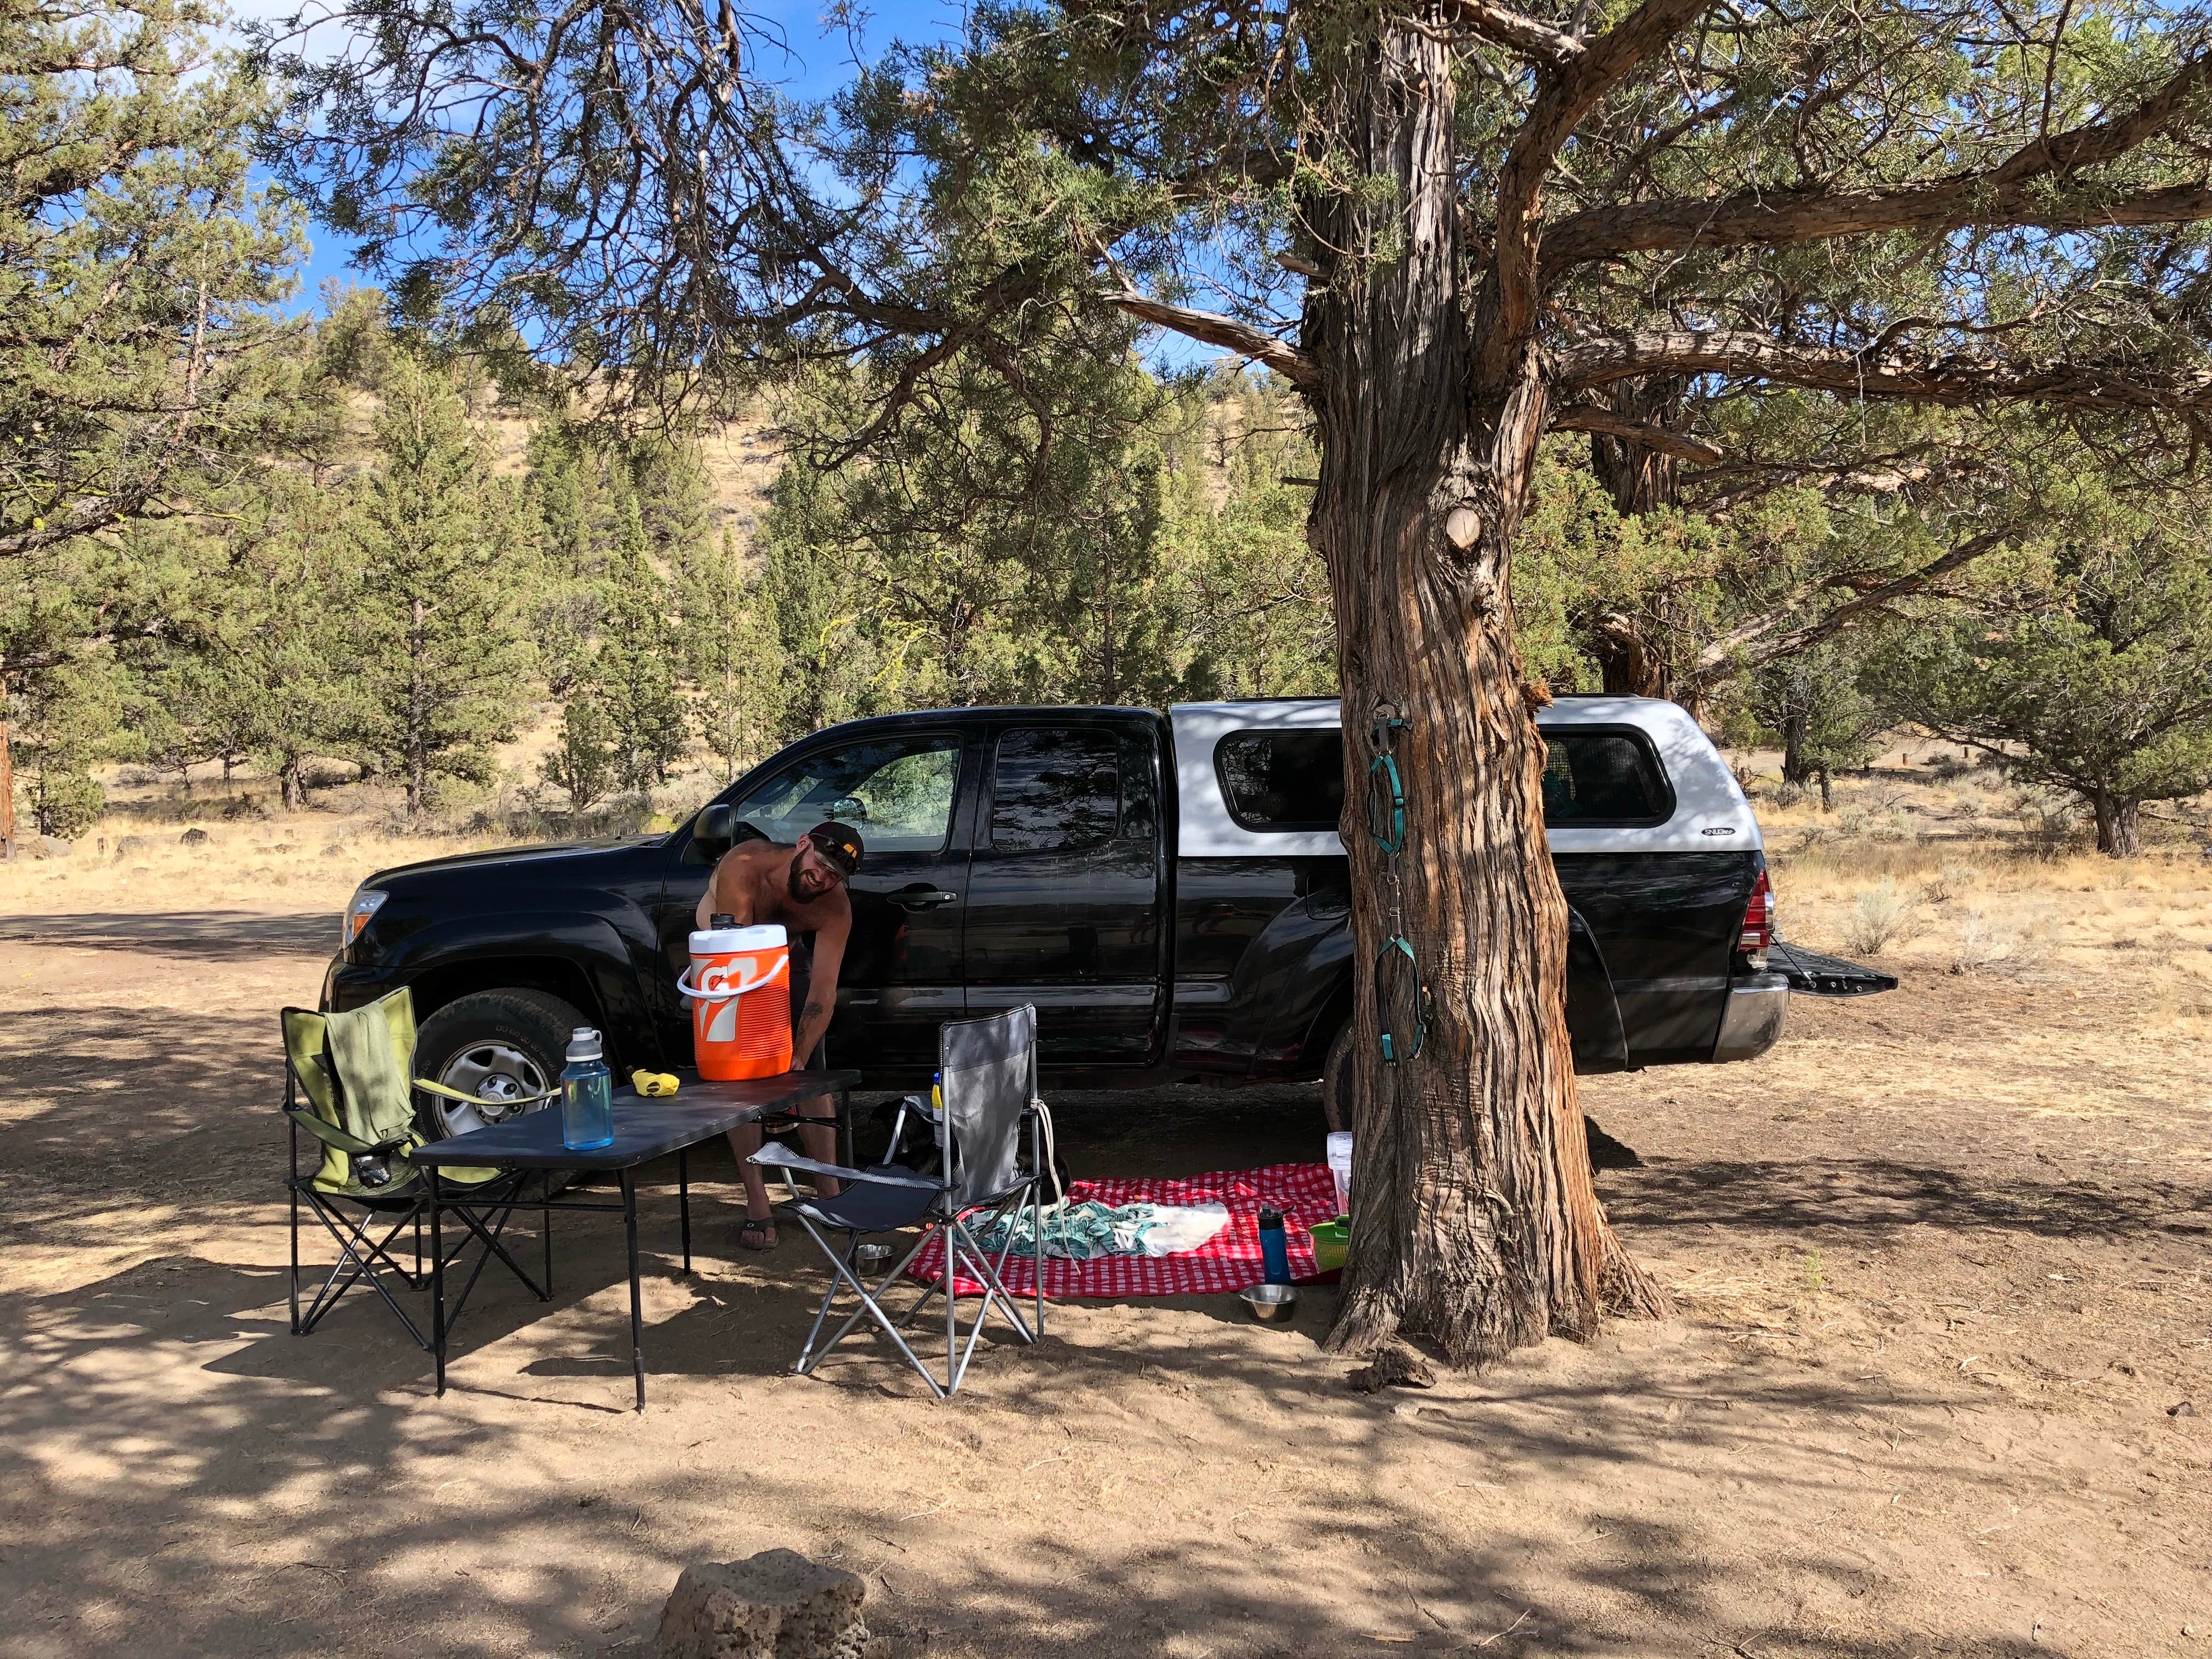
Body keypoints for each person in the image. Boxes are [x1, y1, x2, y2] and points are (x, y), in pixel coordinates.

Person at [695, 819, 865, 1249]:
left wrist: (798, 1057)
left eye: (834, 876)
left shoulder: (834, 906)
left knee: (808, 1077)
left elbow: (823, 992)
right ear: (803, 843)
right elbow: (738, 961)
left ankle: (828, 1192)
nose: (822, 878)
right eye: (820, 863)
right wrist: (764, 1053)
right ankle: (757, 1204)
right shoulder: (746, 866)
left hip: (780, 957)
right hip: (726, 956)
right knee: (742, 1078)